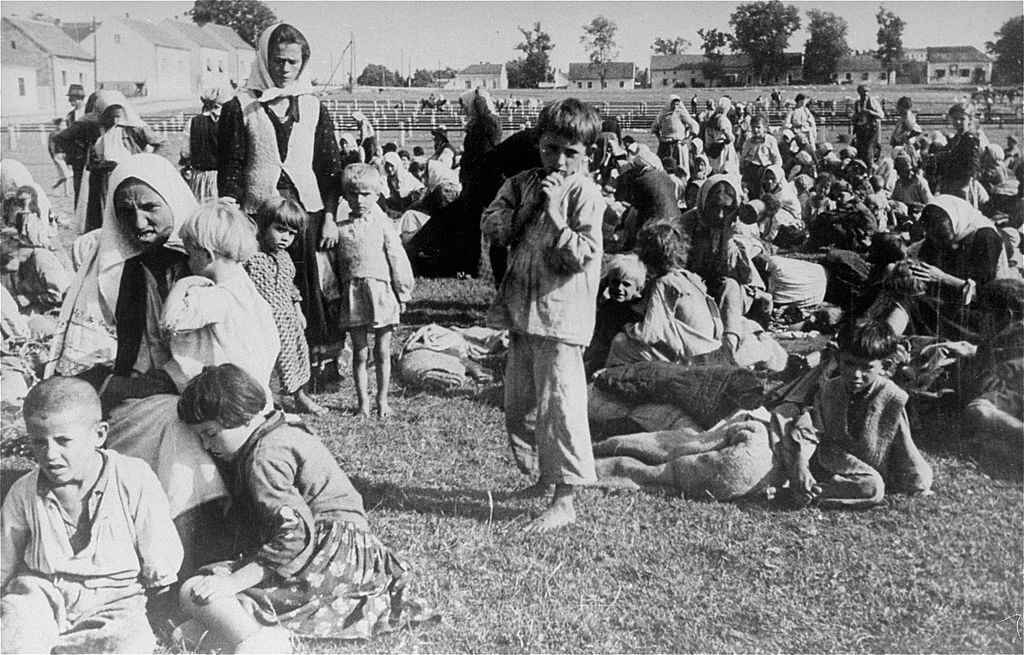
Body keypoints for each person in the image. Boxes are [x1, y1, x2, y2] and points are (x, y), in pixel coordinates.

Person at [175, 365, 436, 651]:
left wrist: (235, 580)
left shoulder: (264, 459)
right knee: (198, 616)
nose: (206, 445)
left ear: (242, 417)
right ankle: (241, 627)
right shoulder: (282, 431)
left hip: (325, 555)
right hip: (356, 557)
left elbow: (295, 535)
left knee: (196, 590)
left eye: (210, 433)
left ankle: (257, 641)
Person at [481, 98, 604, 532]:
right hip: (522, 310)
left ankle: (565, 497)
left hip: (561, 316)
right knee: (520, 405)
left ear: (588, 153)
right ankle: (542, 477)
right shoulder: (522, 184)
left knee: (559, 406)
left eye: (572, 152)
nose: (560, 160)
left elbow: (583, 256)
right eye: (551, 148)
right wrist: (530, 207)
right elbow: (493, 226)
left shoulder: (585, 194)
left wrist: (554, 215)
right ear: (539, 144)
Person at [0, 377, 183, 654]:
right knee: (16, 630)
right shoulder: (24, 491)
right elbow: (5, 556)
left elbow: (158, 550)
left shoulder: (133, 478)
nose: (51, 454)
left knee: (127, 644)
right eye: (39, 442)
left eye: (63, 441)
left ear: (99, 434)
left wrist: (157, 582)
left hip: (115, 599)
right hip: (43, 591)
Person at [217, 23, 343, 367]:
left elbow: (330, 170)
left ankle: (317, 362)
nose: (285, 70)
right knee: (266, 286)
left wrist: (330, 217)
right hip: (260, 214)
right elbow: (231, 166)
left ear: (303, 63)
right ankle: (272, 363)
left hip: (308, 213)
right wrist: (233, 209)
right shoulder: (240, 106)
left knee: (312, 283)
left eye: (292, 62)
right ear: (263, 60)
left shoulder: (313, 106)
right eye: (277, 61)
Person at [780, 318, 933, 508]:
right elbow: (810, 429)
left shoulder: (892, 398)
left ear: (884, 366)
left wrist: (918, 483)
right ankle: (804, 486)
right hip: (832, 457)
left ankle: (808, 493)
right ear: (838, 359)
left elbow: (904, 444)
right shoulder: (829, 389)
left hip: (867, 469)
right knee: (789, 446)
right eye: (850, 364)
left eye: (867, 367)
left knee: (872, 487)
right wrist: (801, 464)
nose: (856, 375)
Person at [334, 164, 414, 417]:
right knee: (359, 351)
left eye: (366, 194)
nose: (359, 200)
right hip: (353, 294)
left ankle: (382, 400)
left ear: (377, 195)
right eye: (353, 194)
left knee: (381, 350)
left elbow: (396, 256)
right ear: (345, 196)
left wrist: (402, 291)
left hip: (380, 291)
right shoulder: (340, 226)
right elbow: (331, 266)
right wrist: (332, 294)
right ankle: (363, 403)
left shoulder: (383, 223)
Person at [921, 279, 1023, 473]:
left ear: (1006, 316)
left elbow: (994, 387)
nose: (978, 319)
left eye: (983, 313)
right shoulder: (1008, 337)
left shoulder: (1014, 338)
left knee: (978, 413)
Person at [884, 195, 1011, 341]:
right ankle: (885, 338)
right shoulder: (938, 234)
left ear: (955, 223)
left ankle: (884, 340)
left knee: (911, 305)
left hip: (984, 311)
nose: (939, 242)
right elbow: (917, 255)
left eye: (943, 236)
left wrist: (943, 278)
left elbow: (985, 292)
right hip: (950, 303)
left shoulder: (984, 238)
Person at [245, 197, 325, 415]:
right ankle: (270, 401)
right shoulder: (251, 257)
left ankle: (300, 396)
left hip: (288, 319)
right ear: (264, 224)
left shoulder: (285, 258)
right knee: (270, 364)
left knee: (296, 355)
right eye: (280, 230)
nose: (285, 238)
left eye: (291, 234)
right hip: (264, 321)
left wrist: (298, 310)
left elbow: (290, 287)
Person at [606, 222, 725, 367]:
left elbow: (649, 333)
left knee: (620, 342)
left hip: (691, 358)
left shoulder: (664, 283)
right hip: (707, 348)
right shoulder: (686, 277)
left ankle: (607, 382)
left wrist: (626, 327)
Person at [584, 253, 646, 375]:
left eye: (626, 284)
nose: (619, 288)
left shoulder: (635, 313)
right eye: (615, 282)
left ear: (638, 289)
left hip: (619, 364)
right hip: (599, 359)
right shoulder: (608, 306)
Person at [613, 146, 680, 252]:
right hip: (675, 224)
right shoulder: (668, 179)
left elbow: (633, 216)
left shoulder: (642, 181)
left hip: (656, 229)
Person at [180, 86, 228, 203]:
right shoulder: (227, 121)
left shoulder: (193, 122)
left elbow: (185, 152)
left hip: (199, 177)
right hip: (222, 177)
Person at [934, 102, 982, 203]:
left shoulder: (970, 139)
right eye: (955, 118)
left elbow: (973, 164)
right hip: (950, 182)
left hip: (963, 184)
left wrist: (966, 185)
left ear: (969, 120)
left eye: (962, 119)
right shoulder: (955, 139)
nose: (958, 122)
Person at [651, 95, 699, 180]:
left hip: (677, 144)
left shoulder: (680, 113)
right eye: (674, 104)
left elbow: (694, 125)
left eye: (677, 104)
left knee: (679, 167)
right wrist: (659, 138)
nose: (675, 106)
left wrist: (688, 139)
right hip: (665, 145)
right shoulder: (663, 114)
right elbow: (654, 127)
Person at [740, 115, 782, 198]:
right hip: (752, 170)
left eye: (758, 127)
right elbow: (742, 158)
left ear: (765, 128)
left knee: (766, 194)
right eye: (753, 127)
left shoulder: (770, 140)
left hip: (765, 171)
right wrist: (742, 169)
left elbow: (777, 158)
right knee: (751, 194)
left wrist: (774, 172)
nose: (756, 130)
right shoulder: (749, 142)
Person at [704, 97, 739, 176]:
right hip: (724, 147)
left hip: (715, 146)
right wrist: (730, 138)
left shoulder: (712, 118)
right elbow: (724, 129)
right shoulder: (722, 118)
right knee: (727, 169)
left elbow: (708, 134)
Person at [851, 84, 884, 165]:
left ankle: (870, 169)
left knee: (868, 152)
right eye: (863, 91)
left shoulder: (872, 102)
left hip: (871, 131)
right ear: (859, 92)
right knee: (859, 152)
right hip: (861, 130)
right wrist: (855, 117)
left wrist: (870, 112)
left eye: (867, 91)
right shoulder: (857, 103)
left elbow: (881, 115)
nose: (865, 93)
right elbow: (854, 116)